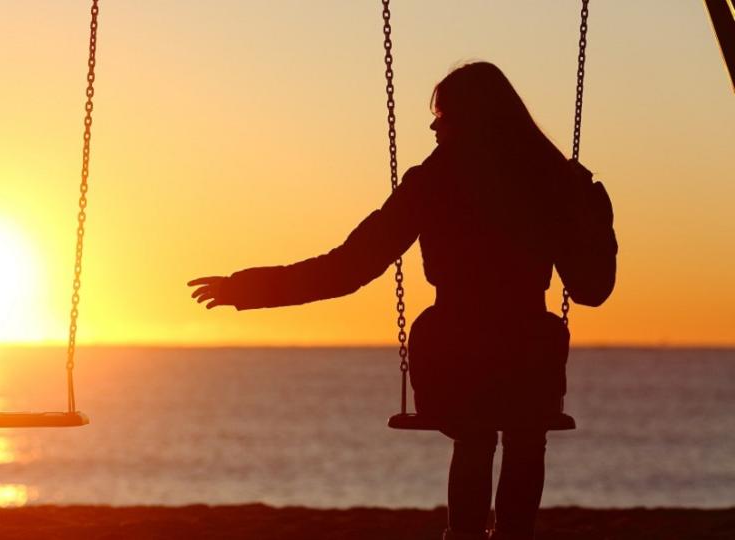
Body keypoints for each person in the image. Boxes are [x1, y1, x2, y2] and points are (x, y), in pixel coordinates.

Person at [188, 61, 615, 540]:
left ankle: (465, 534)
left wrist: (247, 288)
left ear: (472, 118)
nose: (434, 125)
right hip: (526, 360)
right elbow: (592, 289)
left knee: (476, 434)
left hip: (456, 356)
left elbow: (348, 267)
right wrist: (598, 224)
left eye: (443, 114)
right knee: (525, 431)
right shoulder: (551, 179)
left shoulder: (434, 182)